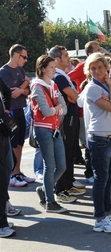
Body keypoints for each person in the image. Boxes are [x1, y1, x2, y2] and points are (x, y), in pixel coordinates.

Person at [78, 52, 111, 233]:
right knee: (101, 179)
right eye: (93, 68)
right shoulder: (92, 88)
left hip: (110, 136)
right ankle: (100, 219)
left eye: (100, 67)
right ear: (89, 71)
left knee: (109, 177)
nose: (97, 71)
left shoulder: (108, 85)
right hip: (98, 137)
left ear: (106, 69)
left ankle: (107, 212)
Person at [31, 55, 68, 213]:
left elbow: (64, 107)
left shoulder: (53, 84)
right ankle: (50, 202)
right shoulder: (37, 86)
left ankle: (45, 191)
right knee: (50, 165)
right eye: (52, 67)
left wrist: (57, 109)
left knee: (62, 166)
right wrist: (57, 109)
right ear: (43, 69)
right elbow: (46, 111)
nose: (55, 70)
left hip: (55, 129)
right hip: (43, 129)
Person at [49, 45, 85, 202]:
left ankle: (68, 184)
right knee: (65, 153)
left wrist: (75, 96)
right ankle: (61, 189)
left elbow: (75, 96)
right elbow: (75, 97)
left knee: (70, 152)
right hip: (66, 118)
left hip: (72, 115)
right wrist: (75, 96)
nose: (68, 58)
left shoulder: (63, 75)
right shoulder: (59, 76)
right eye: (65, 56)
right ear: (57, 60)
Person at [0, 44, 34, 187]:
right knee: (13, 144)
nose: (26, 60)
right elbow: (11, 93)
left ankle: (18, 172)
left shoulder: (20, 70)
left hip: (21, 108)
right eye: (24, 57)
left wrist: (23, 87)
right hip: (11, 111)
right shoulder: (4, 71)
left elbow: (27, 91)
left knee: (20, 142)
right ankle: (12, 174)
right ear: (15, 55)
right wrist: (25, 84)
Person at [68, 41, 102, 184]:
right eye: (97, 50)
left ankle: (96, 172)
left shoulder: (103, 68)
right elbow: (67, 78)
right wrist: (76, 94)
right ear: (89, 54)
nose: (100, 51)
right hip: (85, 111)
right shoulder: (82, 66)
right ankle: (89, 173)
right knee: (89, 143)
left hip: (99, 109)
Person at [0, 77, 15, 237]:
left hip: (3, 133)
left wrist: (6, 110)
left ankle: (2, 221)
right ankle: (1, 224)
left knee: (4, 175)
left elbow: (6, 92)